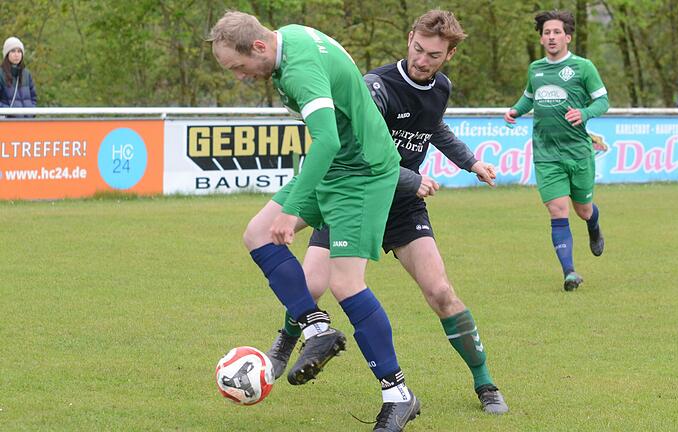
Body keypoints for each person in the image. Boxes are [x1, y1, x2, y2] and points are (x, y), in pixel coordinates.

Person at [265, 10, 509, 415]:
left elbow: (434, 128)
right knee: (309, 286)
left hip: (400, 207)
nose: (422, 59)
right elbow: (363, 146)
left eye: (433, 54)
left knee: (441, 292)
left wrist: (470, 163)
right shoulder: (375, 87)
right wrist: (410, 178)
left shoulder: (440, 88)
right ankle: (282, 348)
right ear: (410, 37)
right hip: (354, 191)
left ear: (448, 55)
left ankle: (485, 382)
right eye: (418, 48)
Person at [207, 11, 420, 431]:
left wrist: (292, 209)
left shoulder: (299, 68)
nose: (241, 76)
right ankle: (316, 328)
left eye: (239, 66)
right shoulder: (289, 39)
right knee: (256, 234)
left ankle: (399, 395)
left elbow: (327, 138)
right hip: (336, 167)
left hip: (363, 171)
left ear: (260, 47)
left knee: (344, 283)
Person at [503, 10, 609, 291]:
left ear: (568, 37)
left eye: (556, 32)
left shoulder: (583, 67)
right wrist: (515, 110)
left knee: (583, 210)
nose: (551, 37)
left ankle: (594, 224)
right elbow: (528, 98)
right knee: (557, 210)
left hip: (578, 152)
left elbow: (603, 101)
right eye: (546, 33)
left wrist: (585, 113)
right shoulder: (535, 69)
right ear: (541, 39)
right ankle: (570, 272)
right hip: (546, 153)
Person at [0, 36, 37, 116]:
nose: (16, 55)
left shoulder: (26, 74)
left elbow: (33, 97)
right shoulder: (1, 74)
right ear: (7, 54)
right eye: (13, 51)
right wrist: (9, 113)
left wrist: (31, 112)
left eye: (19, 51)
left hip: (28, 122)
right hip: (9, 124)